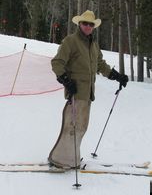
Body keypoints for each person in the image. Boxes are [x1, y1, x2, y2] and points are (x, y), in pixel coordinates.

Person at [48, 10, 128, 169]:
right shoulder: (71, 41)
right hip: (76, 92)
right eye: (85, 23)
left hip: (88, 93)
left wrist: (117, 75)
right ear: (79, 24)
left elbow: (100, 65)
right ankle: (60, 159)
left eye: (91, 24)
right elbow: (57, 63)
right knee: (72, 127)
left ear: (93, 27)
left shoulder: (93, 45)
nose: (88, 26)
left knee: (82, 126)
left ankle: (72, 157)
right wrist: (66, 80)